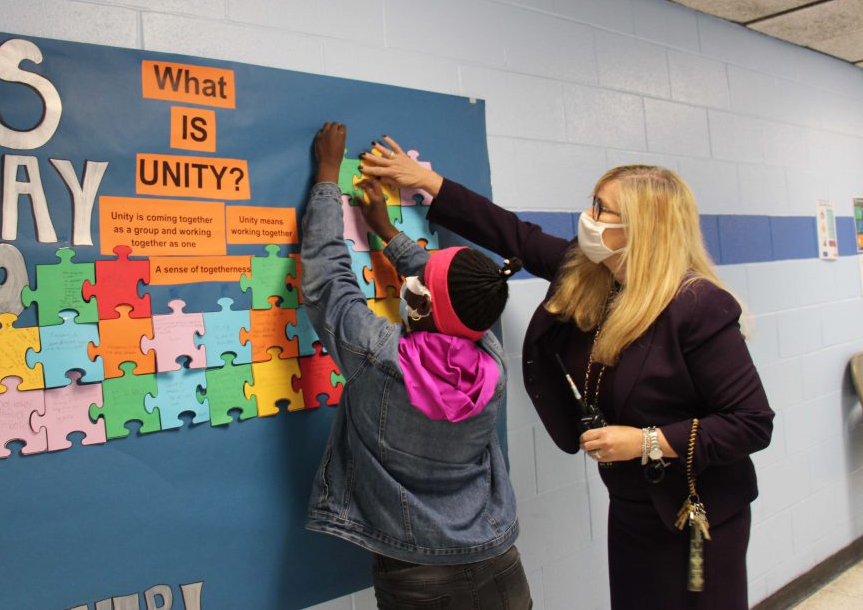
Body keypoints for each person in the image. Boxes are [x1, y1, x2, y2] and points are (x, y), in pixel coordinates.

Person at [360, 138, 775, 610]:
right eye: (593, 203)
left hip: (695, 510)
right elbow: (513, 234)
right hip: (633, 502)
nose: (589, 218)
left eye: (603, 210)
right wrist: (427, 183)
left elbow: (751, 422)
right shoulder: (590, 272)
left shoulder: (697, 306)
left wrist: (644, 441)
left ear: (642, 229)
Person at [301, 122, 533, 610]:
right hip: (501, 564)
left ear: (421, 303)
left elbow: (327, 280)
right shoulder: (489, 358)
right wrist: (386, 230)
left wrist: (326, 174)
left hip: (420, 579)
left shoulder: (377, 353)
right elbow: (452, 293)